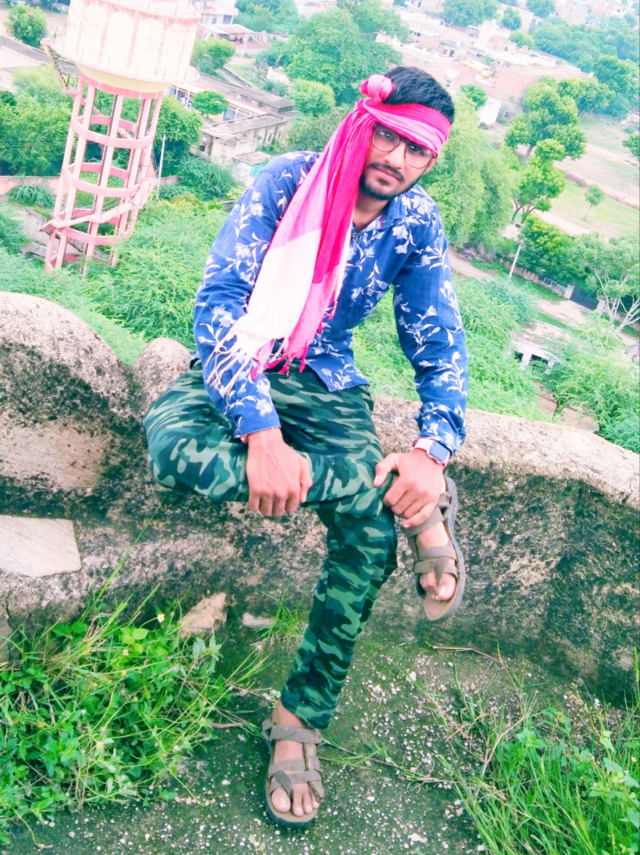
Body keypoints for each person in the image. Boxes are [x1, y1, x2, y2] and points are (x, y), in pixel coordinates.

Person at [144, 66, 468, 829]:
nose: (396, 159)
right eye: (387, 136)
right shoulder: (288, 181)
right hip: (247, 360)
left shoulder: (415, 222)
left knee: (368, 538)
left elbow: (438, 338)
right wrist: (260, 432)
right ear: (363, 123)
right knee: (173, 446)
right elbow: (219, 304)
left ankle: (299, 717)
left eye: (417, 150)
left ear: (431, 159)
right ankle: (386, 492)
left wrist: (432, 450)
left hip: (328, 382)